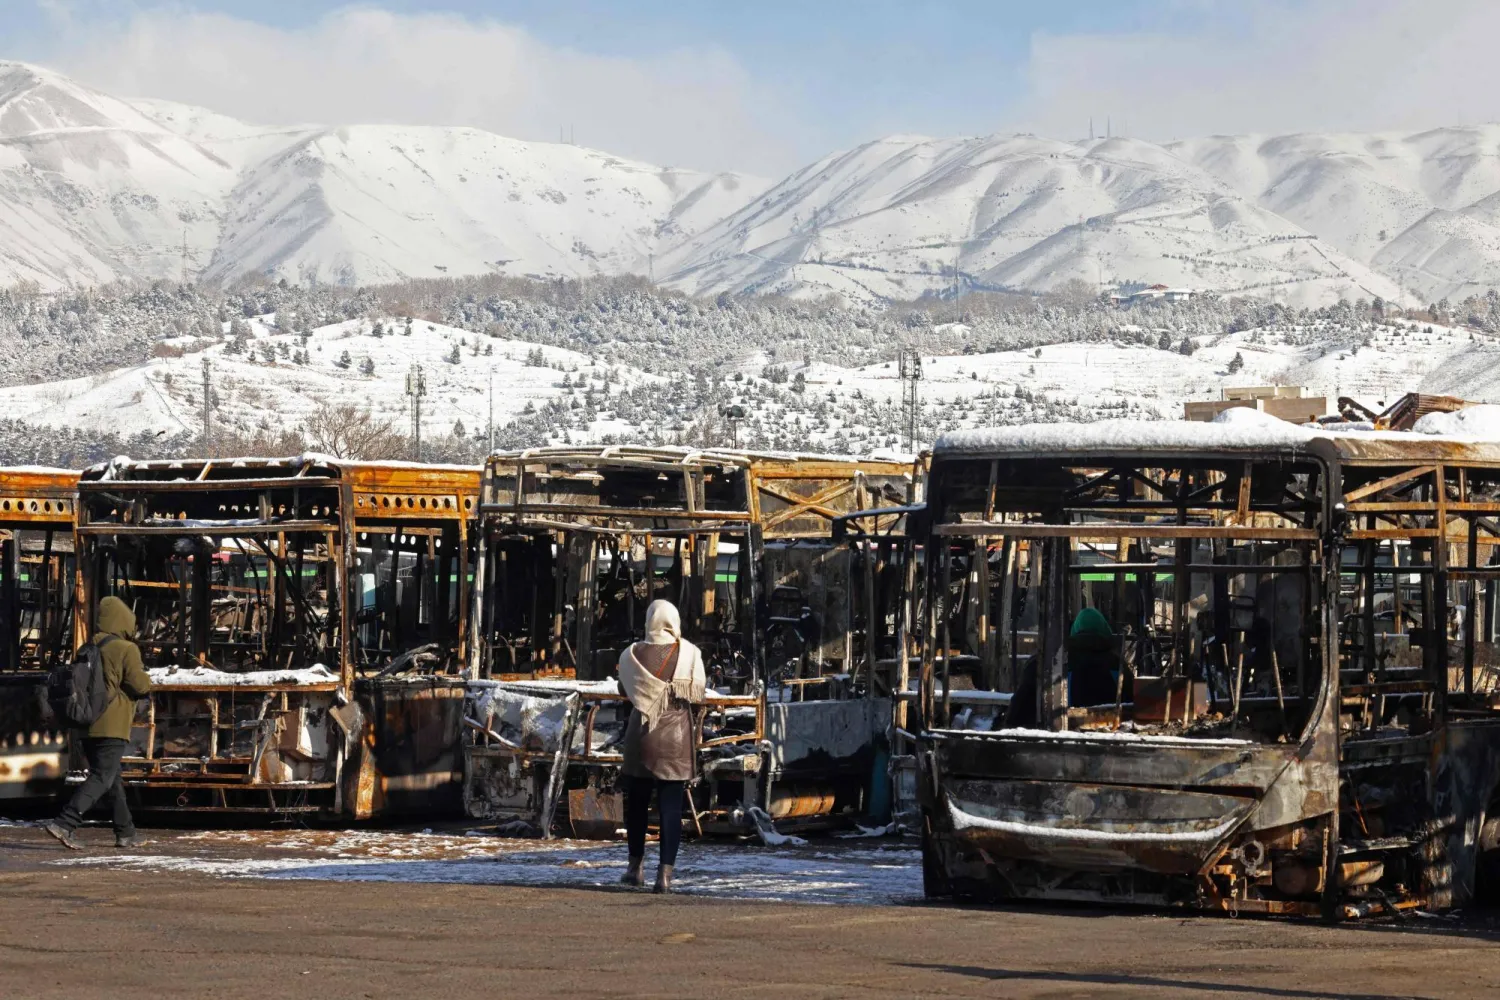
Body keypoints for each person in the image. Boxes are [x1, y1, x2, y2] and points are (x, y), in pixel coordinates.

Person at [45, 596, 152, 850]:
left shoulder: (88, 647)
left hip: (86, 724)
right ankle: (65, 822)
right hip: (111, 726)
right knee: (102, 777)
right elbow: (141, 685)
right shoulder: (127, 649)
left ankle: (126, 832)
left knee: (111, 779)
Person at [616, 599, 706, 894]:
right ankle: (664, 877)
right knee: (670, 810)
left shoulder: (631, 655)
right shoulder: (690, 653)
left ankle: (634, 869)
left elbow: (623, 690)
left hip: (639, 739)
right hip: (675, 741)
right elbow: (698, 696)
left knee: (638, 808)